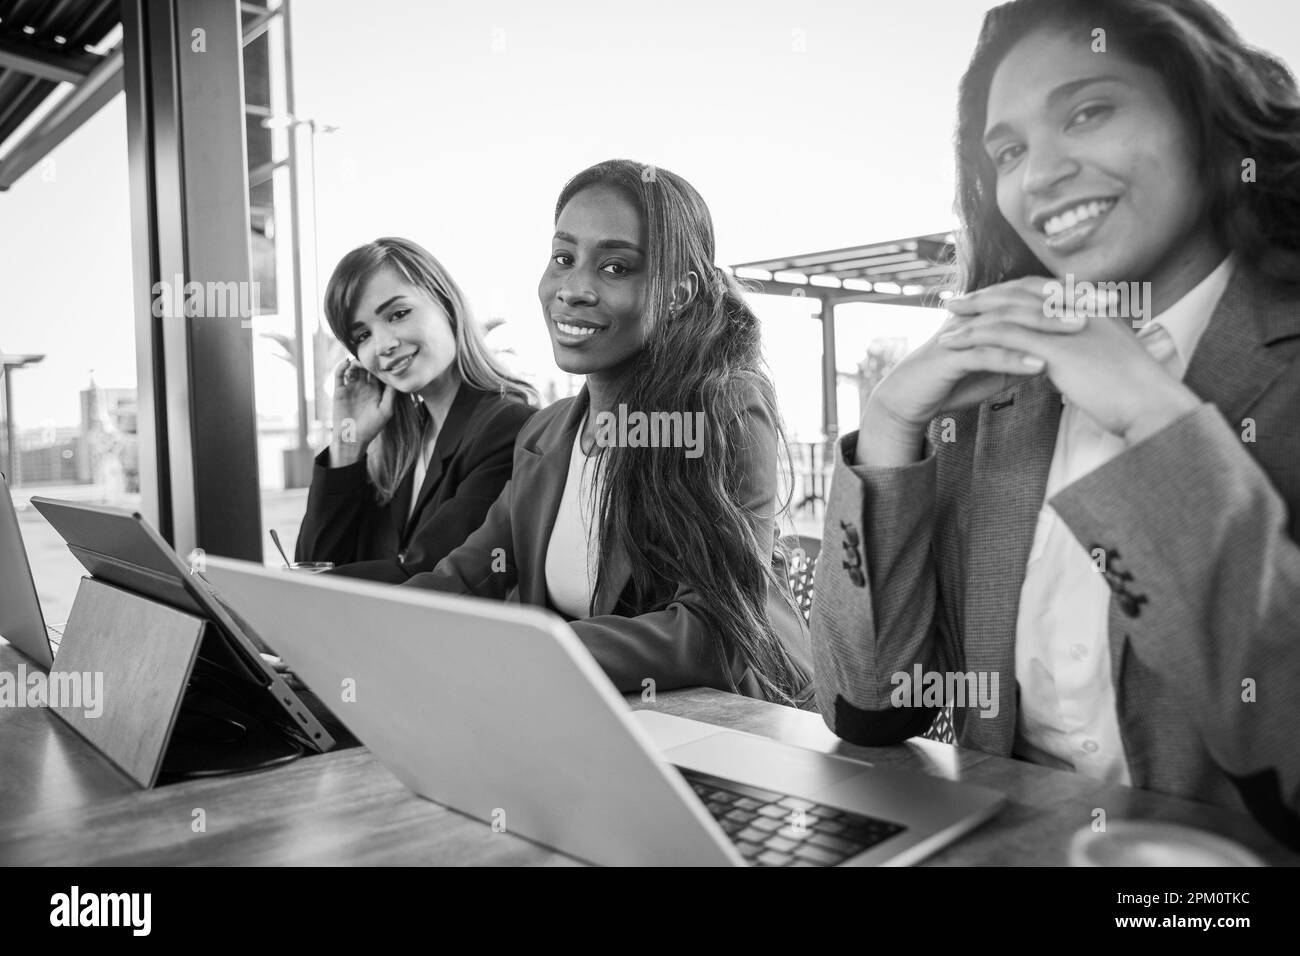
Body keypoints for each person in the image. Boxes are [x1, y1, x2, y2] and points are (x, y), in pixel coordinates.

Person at [810, 0, 1300, 847]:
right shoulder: (997, 399)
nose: (1037, 176)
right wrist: (890, 423)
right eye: (1008, 151)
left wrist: (1155, 417)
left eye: (1089, 111)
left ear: (1206, 112)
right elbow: (875, 709)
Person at [406, 160, 812, 705]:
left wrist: (531, 651)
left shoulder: (723, 410)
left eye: (616, 268)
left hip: (737, 726)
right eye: (563, 258)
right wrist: (369, 631)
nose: (573, 289)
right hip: (600, 718)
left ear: (678, 293)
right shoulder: (545, 433)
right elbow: (467, 574)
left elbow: (714, 636)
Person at [295, 237, 537, 581]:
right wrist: (347, 445)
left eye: (398, 314)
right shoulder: (401, 445)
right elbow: (319, 561)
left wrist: (303, 585)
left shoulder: (506, 424)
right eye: (362, 335)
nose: (384, 345)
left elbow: (431, 572)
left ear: (446, 305)